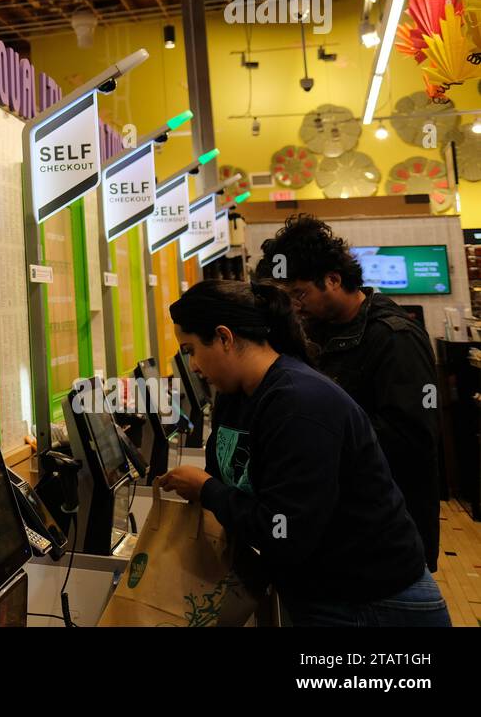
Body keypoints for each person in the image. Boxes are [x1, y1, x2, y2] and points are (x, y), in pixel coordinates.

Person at [158, 279, 450, 627]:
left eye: (190, 350)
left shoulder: (300, 403)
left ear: (224, 337)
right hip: (322, 594)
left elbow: (286, 532)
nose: (191, 366)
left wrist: (206, 490)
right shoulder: (237, 397)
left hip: (371, 604)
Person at [253, 214, 439, 570]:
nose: (294, 306)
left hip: (387, 543)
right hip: (344, 536)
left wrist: (318, 434)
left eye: (299, 294)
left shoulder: (393, 337)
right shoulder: (317, 333)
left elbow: (413, 438)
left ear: (333, 280)